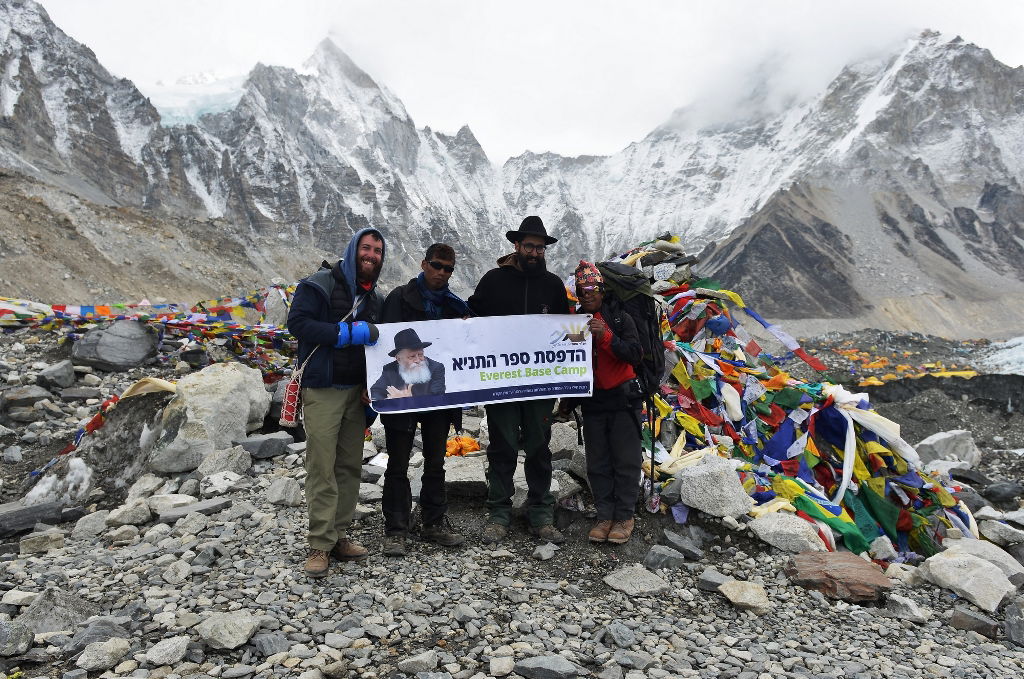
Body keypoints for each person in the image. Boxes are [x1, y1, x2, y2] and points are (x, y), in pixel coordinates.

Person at [287, 227, 385, 578]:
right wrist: (343, 334)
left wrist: (372, 384)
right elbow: (297, 323)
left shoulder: (376, 299)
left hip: (356, 392)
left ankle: (339, 534)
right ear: (353, 248)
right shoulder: (320, 284)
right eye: (366, 248)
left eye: (377, 250)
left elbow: (380, 347)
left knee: (348, 465)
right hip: (323, 387)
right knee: (322, 465)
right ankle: (319, 542)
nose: (371, 255)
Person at [467, 216, 570, 545]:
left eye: (540, 248)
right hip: (501, 382)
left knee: (540, 447)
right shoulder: (493, 281)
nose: (535, 252)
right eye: (529, 246)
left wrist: (585, 333)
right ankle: (499, 511)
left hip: (540, 385)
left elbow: (567, 334)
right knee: (502, 446)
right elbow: (472, 320)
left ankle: (540, 511)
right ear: (517, 246)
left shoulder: (553, 286)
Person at [377, 243, 470, 556]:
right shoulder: (398, 299)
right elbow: (381, 346)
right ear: (423, 264)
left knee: (435, 460)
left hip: (438, 398)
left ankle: (433, 521)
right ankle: (396, 528)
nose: (441, 273)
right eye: (436, 265)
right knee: (398, 462)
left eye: (447, 268)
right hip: (400, 397)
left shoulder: (458, 308)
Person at [565, 261, 644, 544]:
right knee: (598, 462)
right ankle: (604, 515)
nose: (586, 294)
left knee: (626, 460)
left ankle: (624, 516)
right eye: (580, 289)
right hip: (593, 401)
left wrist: (607, 336)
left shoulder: (621, 318)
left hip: (624, 399)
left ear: (601, 289)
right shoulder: (573, 322)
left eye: (591, 288)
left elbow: (635, 354)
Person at [369, 328, 445, 400]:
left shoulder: (436, 368)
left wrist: (409, 400)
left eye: (420, 354)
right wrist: (389, 399)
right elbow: (375, 392)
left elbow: (437, 399)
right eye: (412, 356)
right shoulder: (390, 369)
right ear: (398, 359)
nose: (418, 360)